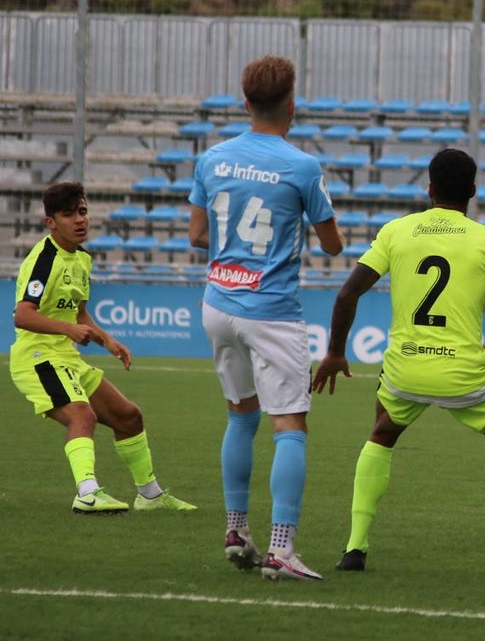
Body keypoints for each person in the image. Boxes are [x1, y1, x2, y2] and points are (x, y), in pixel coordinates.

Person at [311, 147, 485, 582]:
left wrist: (336, 352)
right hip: (464, 376)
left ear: (429, 189)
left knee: (381, 435)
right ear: (472, 191)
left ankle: (354, 548)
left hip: (404, 373)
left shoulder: (397, 232)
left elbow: (346, 295)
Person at [188, 54, 344, 581]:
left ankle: (236, 529)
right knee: (290, 426)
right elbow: (332, 246)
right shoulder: (302, 167)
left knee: (240, 415)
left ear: (244, 100)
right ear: (292, 105)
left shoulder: (211, 158)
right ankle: (281, 549)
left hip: (217, 303)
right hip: (271, 311)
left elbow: (197, 235)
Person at [9, 182, 197, 514]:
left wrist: (109, 341)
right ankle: (87, 493)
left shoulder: (81, 258)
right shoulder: (44, 259)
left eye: (82, 211)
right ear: (50, 222)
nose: (79, 220)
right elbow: (23, 316)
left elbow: (79, 312)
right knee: (83, 415)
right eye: (68, 215)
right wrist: (69, 329)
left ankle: (150, 496)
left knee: (128, 416)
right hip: (37, 358)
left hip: (65, 357)